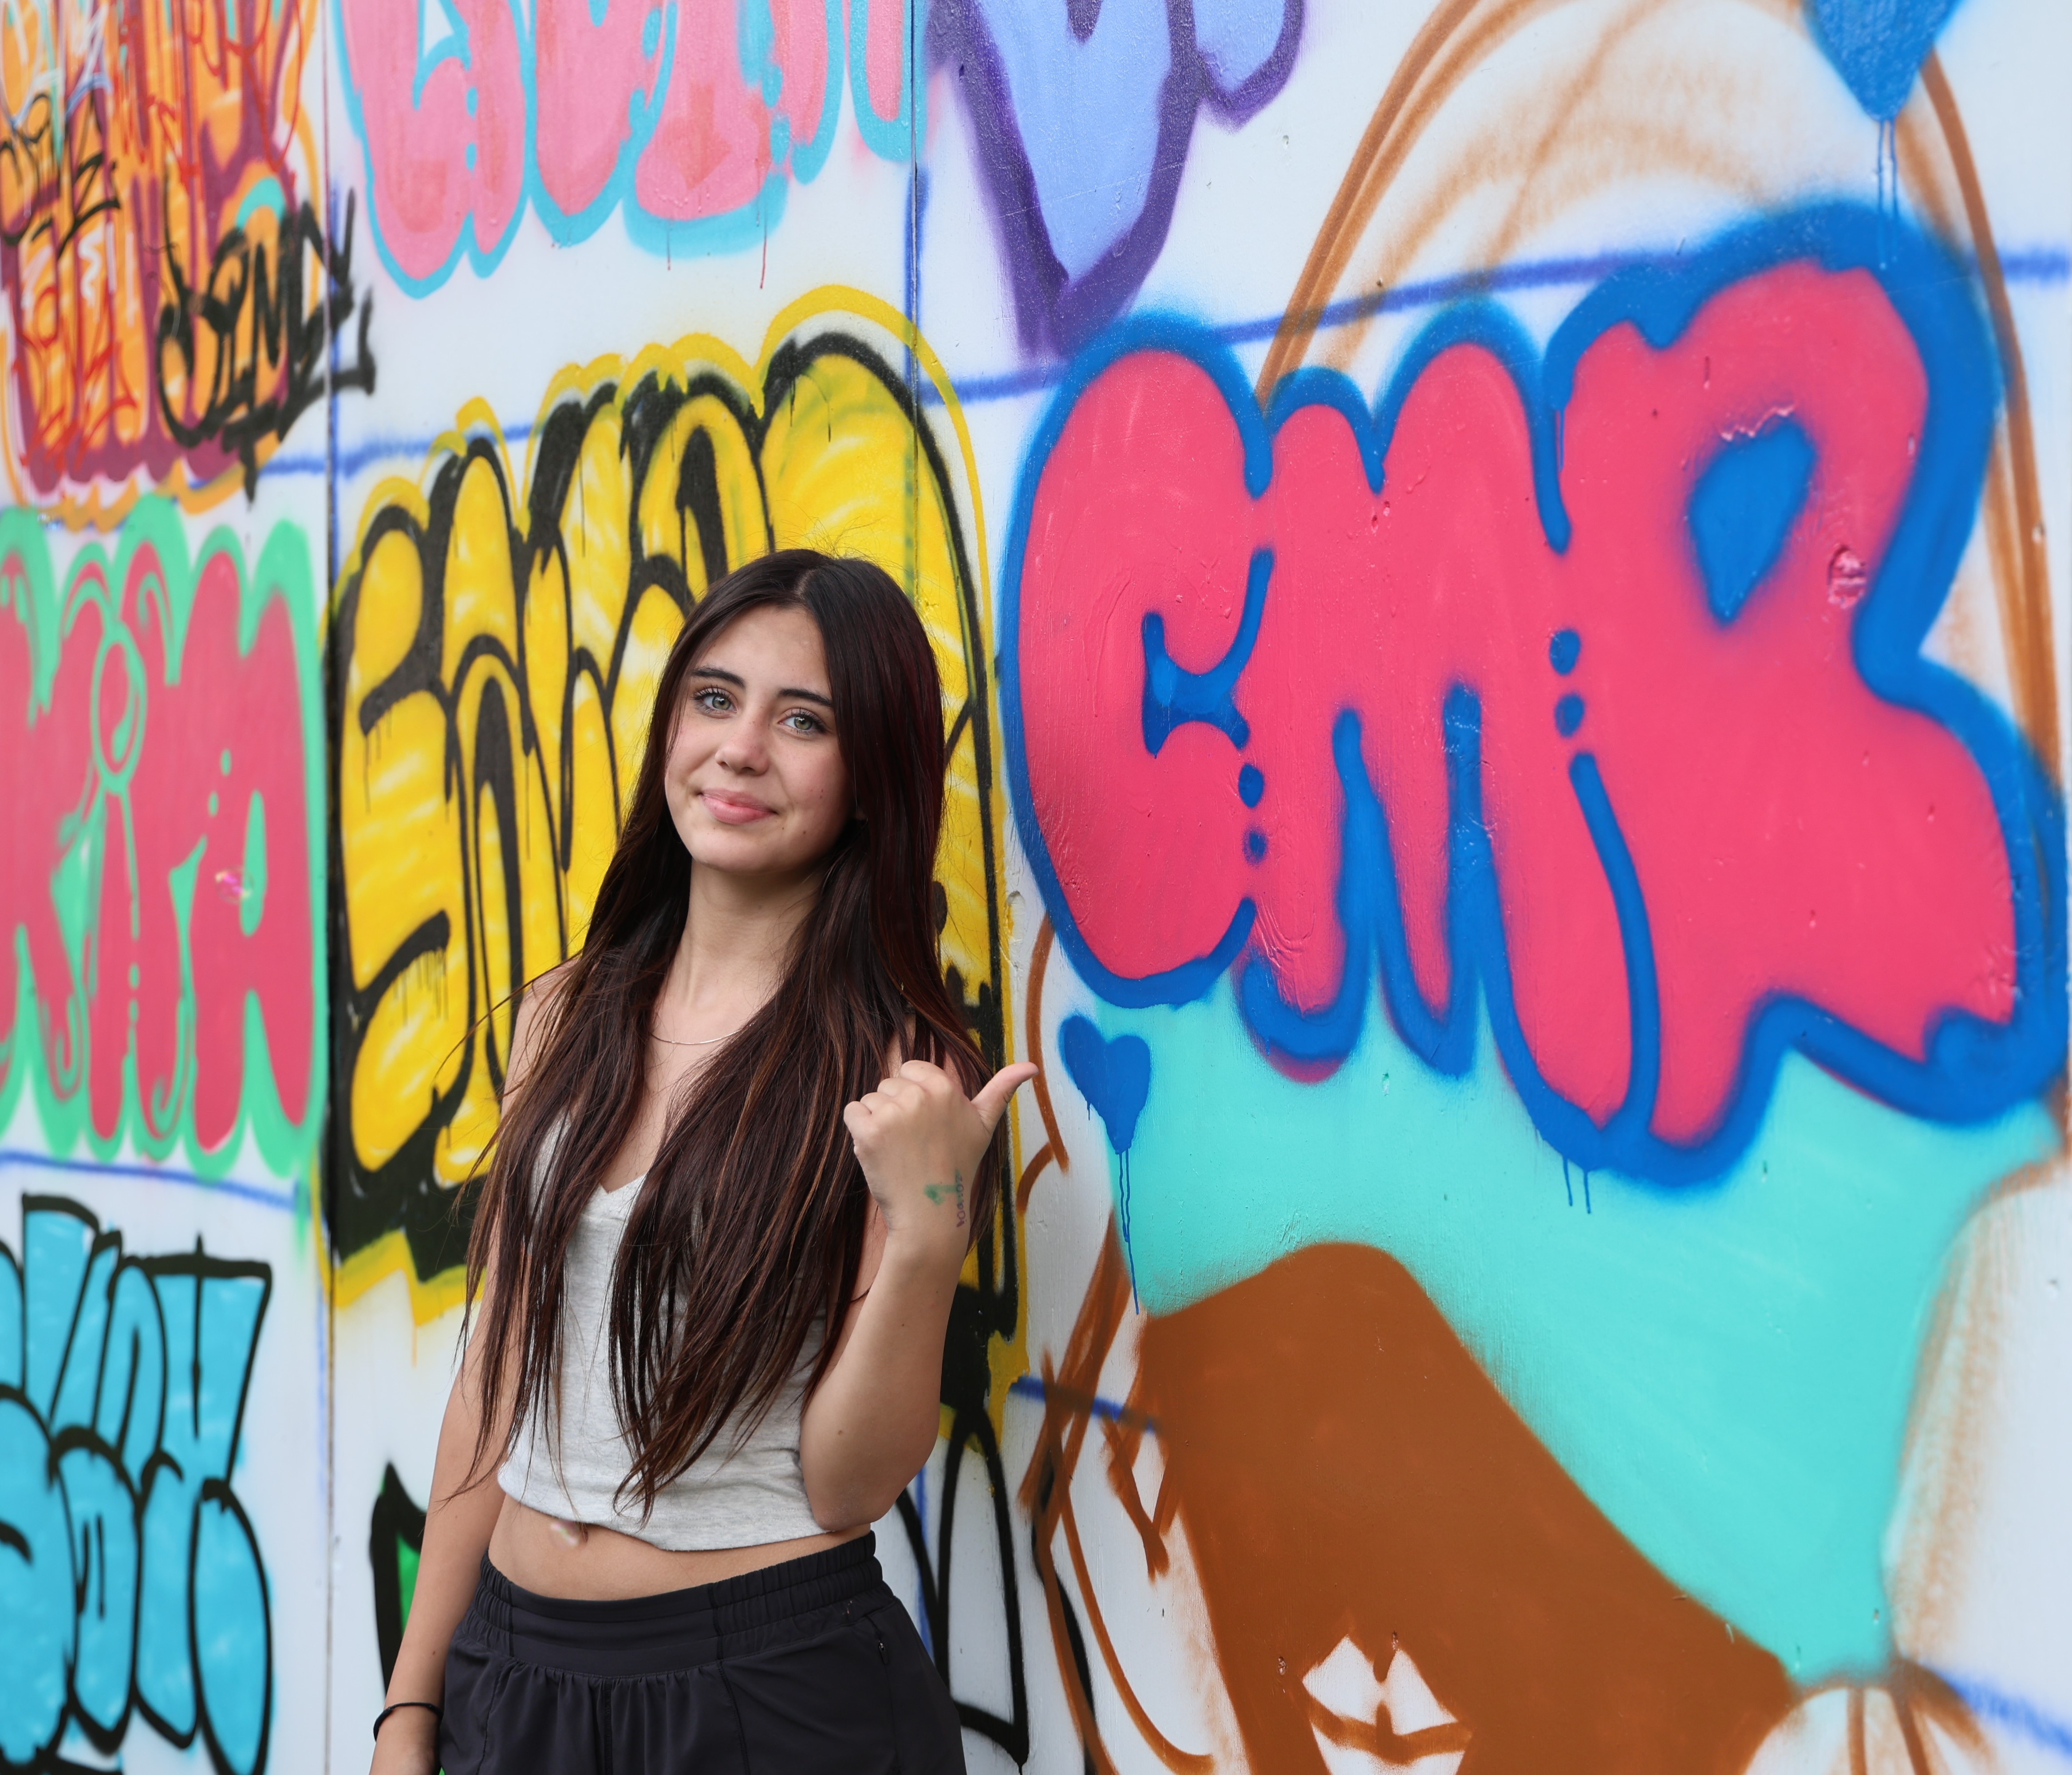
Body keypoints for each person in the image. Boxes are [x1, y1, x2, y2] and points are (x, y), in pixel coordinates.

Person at [369, 550, 1034, 1775]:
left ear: (871, 777)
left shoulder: (898, 1074)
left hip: (765, 1692)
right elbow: (497, 1373)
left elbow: (847, 1484)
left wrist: (932, 1228)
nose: (739, 750)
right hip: (515, 1676)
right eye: (715, 700)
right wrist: (410, 1705)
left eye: (804, 722)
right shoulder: (563, 1018)